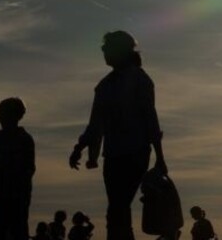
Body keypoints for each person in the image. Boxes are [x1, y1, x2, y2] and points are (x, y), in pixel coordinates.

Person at [69, 30, 167, 240]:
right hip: (114, 155)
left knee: (118, 209)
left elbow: (150, 119)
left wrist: (160, 157)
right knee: (117, 211)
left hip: (135, 153)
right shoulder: (105, 86)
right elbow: (96, 124)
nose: (103, 52)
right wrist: (80, 148)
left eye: (107, 48)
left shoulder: (139, 80)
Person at [0, 97, 35, 240]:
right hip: (0, 195)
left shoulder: (24, 140)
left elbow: (29, 169)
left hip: (17, 197)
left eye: (2, 114)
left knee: (17, 230)